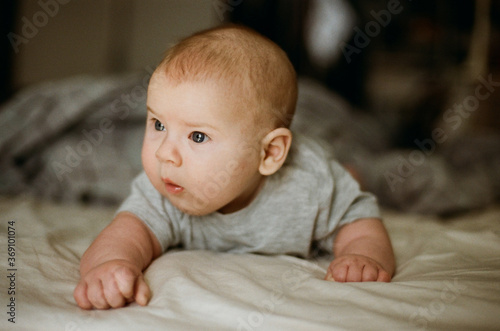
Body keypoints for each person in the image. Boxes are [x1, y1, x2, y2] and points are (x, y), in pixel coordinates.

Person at [74, 25, 395, 310]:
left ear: (269, 153)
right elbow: (125, 234)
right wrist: (112, 265)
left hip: (322, 160)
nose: (165, 154)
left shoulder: (312, 185)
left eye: (197, 136)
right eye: (158, 124)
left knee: (353, 177)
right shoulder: (165, 186)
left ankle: (353, 171)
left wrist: (362, 255)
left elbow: (360, 222)